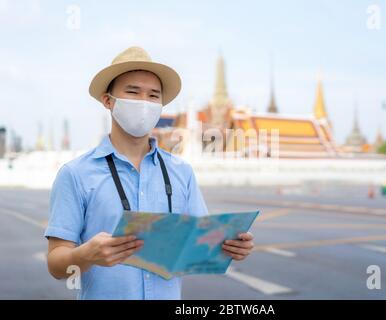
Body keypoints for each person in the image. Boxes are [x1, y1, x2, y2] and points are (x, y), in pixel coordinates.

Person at [44, 46, 254, 299]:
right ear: (108, 100)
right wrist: (85, 255)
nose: (144, 102)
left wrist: (232, 245)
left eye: (153, 96)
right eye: (133, 92)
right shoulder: (76, 174)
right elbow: (56, 265)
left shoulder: (181, 172)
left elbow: (201, 240)